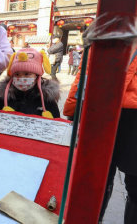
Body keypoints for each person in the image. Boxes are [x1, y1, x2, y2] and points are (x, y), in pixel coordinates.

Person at [64, 47, 137, 223]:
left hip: (127, 113)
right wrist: (74, 105)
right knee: (97, 180)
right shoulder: (106, 28)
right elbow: (87, 71)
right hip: (102, 107)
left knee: (130, 185)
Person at [0, 48, 60, 118]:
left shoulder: (47, 98)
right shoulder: (6, 96)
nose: (21, 78)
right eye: (17, 74)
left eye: (27, 74)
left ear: (37, 75)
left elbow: (56, 120)